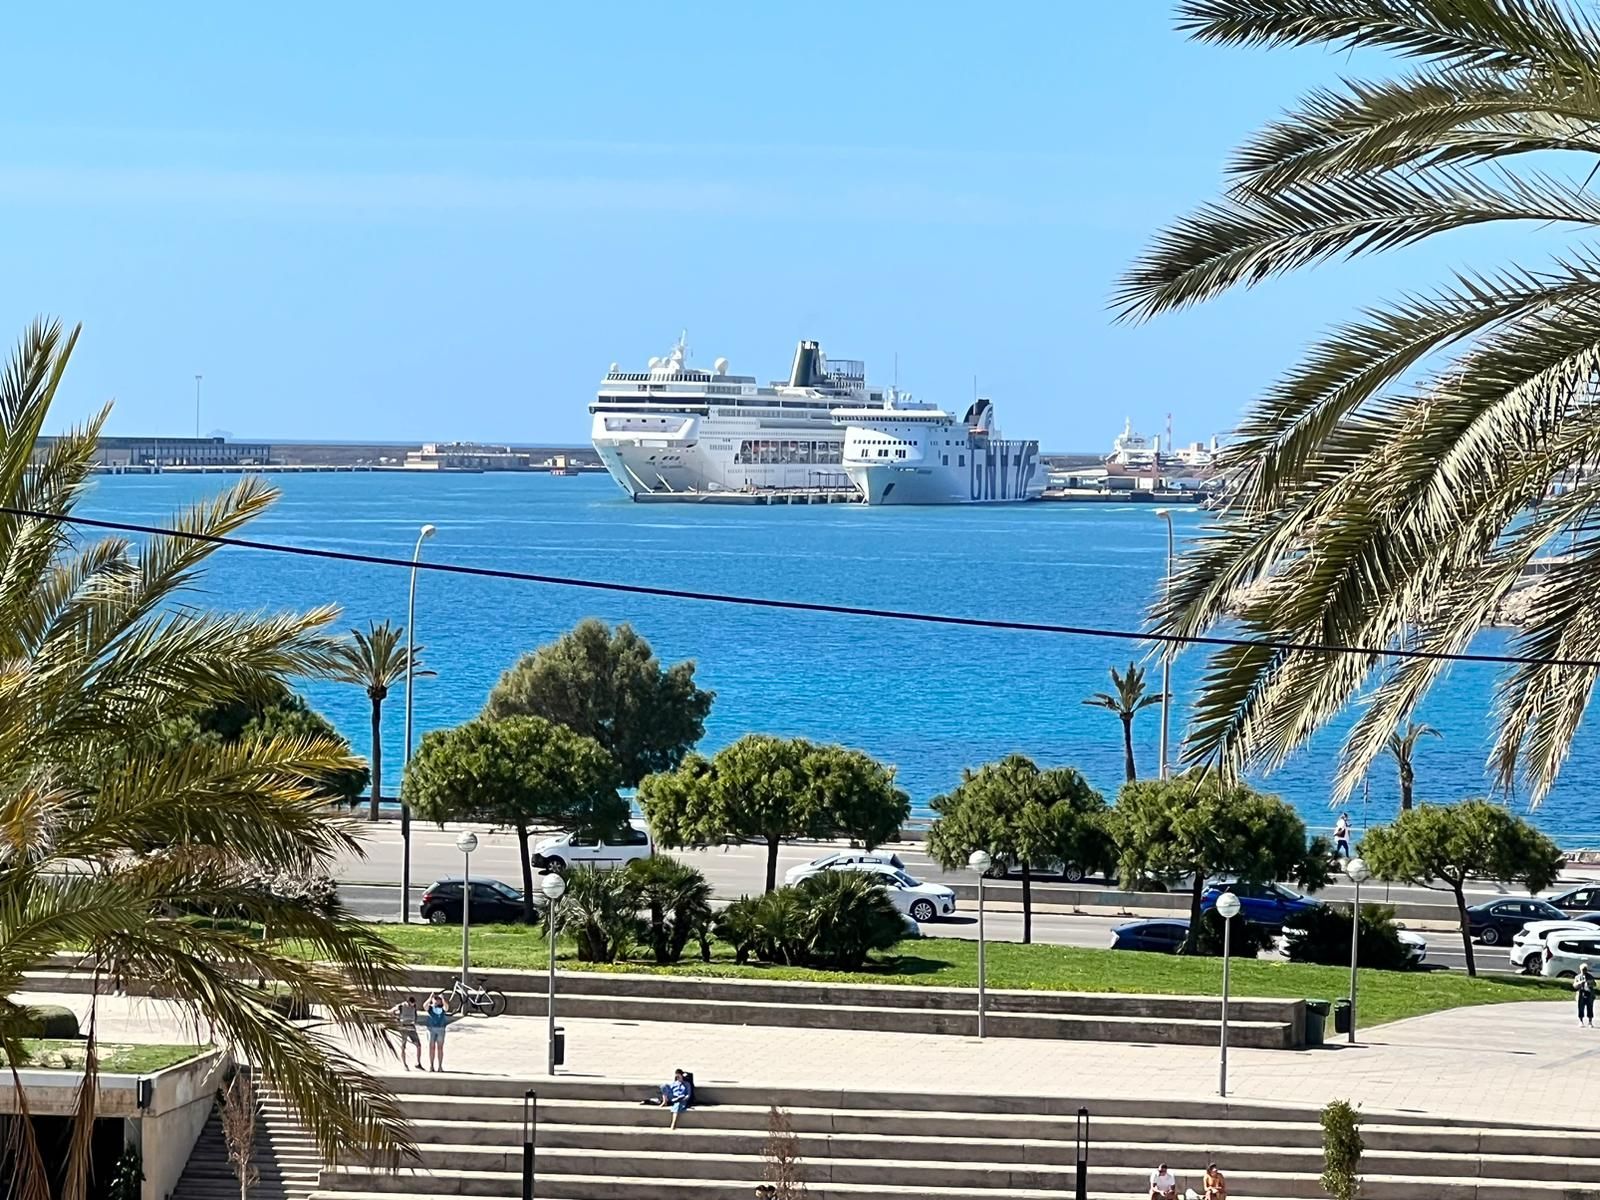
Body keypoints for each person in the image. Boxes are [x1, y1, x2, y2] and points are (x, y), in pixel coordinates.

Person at [391, 995, 422, 1070]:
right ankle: (404, 1064)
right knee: (403, 1046)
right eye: (412, 1003)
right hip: (403, 1026)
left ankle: (418, 1063)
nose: (413, 1005)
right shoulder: (401, 1006)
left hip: (411, 1026)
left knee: (418, 1045)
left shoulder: (414, 1007)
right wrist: (396, 1019)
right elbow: (391, 1011)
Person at [424, 992, 452, 1071]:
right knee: (431, 1047)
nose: (436, 1001)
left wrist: (443, 999)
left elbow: (446, 1008)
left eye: (438, 999)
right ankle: (431, 1065)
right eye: (435, 999)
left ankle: (440, 1066)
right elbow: (424, 1006)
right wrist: (430, 998)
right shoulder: (430, 1008)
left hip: (441, 1028)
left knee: (440, 1048)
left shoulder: (442, 1008)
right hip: (431, 1029)